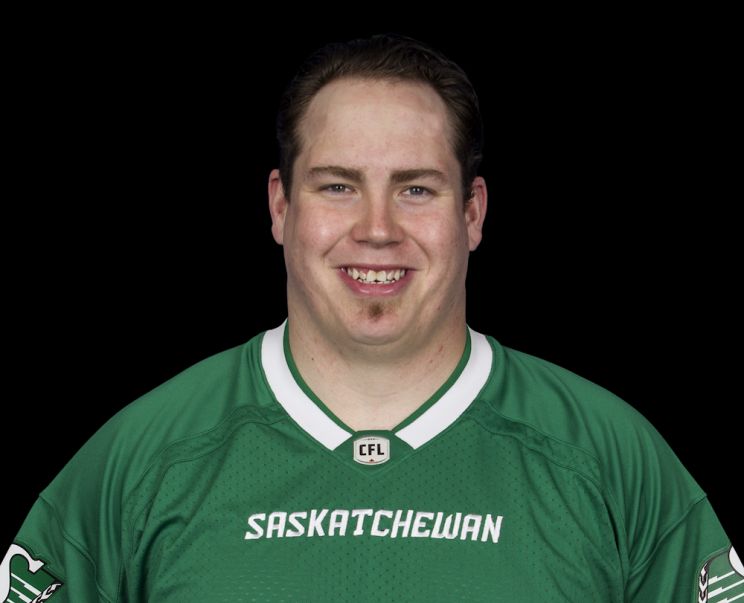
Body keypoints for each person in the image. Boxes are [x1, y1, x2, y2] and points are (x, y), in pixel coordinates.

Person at [3, 32, 739, 602]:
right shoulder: (143, 459)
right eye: (338, 187)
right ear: (280, 207)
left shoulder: (609, 458)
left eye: (416, 189)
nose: (378, 229)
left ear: (473, 212)